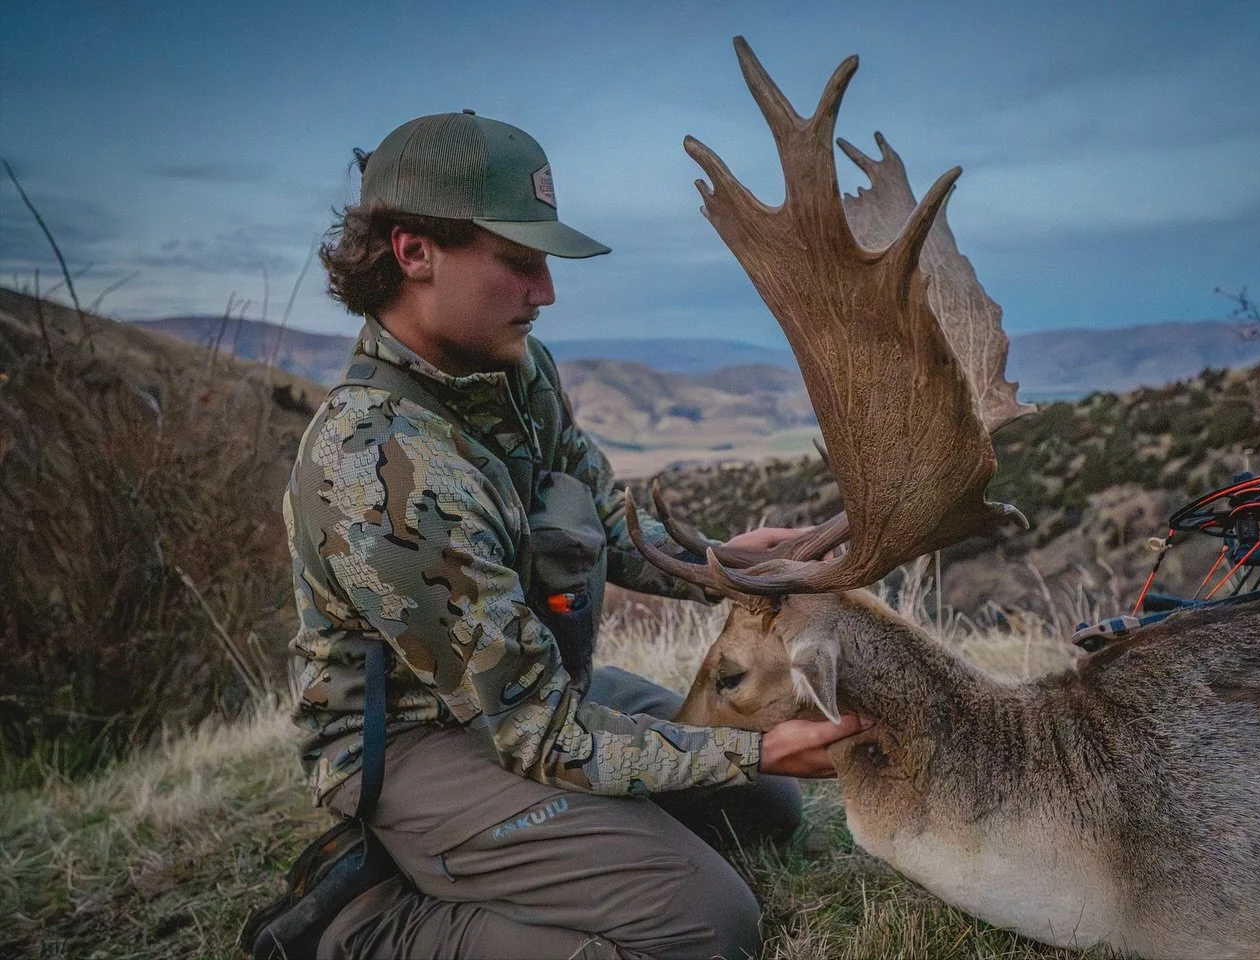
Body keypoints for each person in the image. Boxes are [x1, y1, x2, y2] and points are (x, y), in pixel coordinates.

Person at [267, 110, 866, 959]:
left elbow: (599, 517)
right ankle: (368, 929)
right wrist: (750, 747)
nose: (545, 291)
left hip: (530, 690)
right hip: (422, 743)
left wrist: (724, 564)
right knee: (707, 925)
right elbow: (534, 732)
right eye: (519, 261)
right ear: (414, 253)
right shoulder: (379, 469)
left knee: (763, 809)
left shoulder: (513, 373)